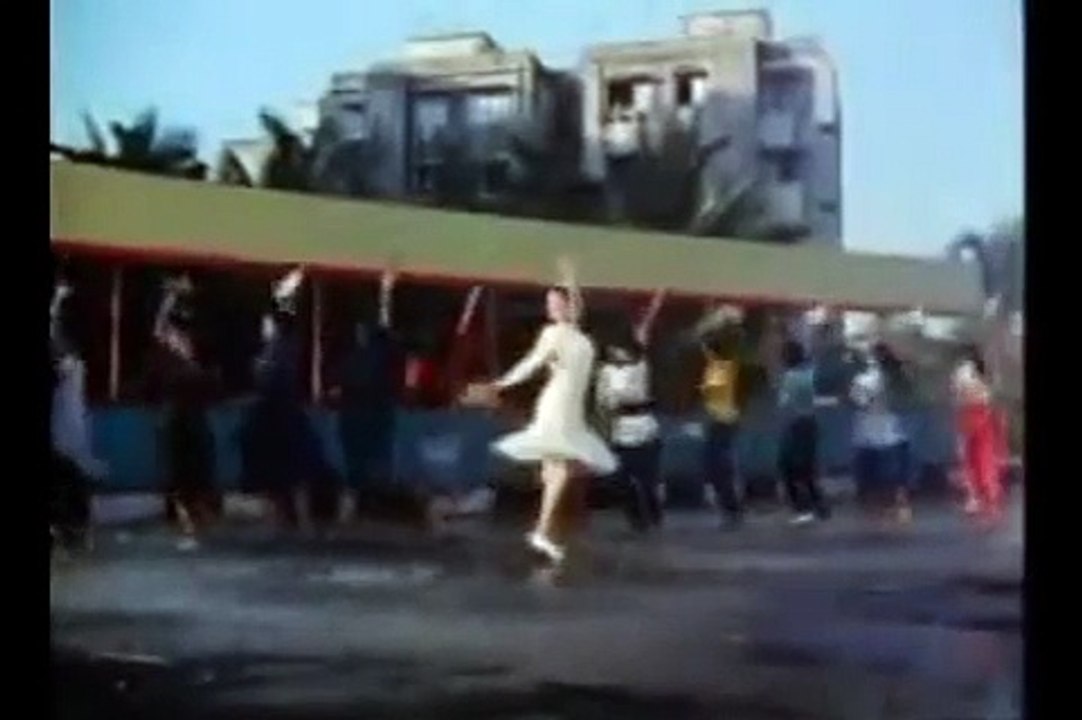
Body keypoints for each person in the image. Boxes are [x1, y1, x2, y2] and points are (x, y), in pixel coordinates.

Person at [464, 260, 617, 565]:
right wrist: (501, 384)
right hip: (557, 405)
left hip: (572, 407)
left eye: (556, 303)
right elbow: (532, 363)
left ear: (569, 305)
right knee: (560, 469)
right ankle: (542, 531)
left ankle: (542, 530)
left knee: (557, 470)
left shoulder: (578, 335)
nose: (551, 308)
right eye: (549, 304)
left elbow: (578, 311)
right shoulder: (552, 333)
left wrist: (571, 280)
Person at [239, 268, 322, 530]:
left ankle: (286, 514)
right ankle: (286, 514)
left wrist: (282, 298)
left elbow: (270, 377)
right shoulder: (277, 349)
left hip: (277, 415)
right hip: (277, 414)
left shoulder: (281, 348)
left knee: (278, 469)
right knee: (280, 471)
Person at [151, 276, 220, 551]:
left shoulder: (191, 363)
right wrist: (169, 298)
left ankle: (195, 514)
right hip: (179, 420)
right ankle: (185, 515)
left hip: (190, 420)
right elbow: (160, 328)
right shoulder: (175, 359)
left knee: (194, 470)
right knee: (181, 472)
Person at [332, 269, 403, 520]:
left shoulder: (377, 350)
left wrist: (386, 292)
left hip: (370, 412)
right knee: (361, 462)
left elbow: (385, 324)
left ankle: (364, 504)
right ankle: (356, 504)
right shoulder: (355, 355)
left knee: (370, 462)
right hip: (359, 413)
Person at [595, 289, 665, 533]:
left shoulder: (639, 366)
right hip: (619, 430)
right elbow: (603, 401)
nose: (617, 352)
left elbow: (643, 333)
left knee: (647, 480)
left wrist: (655, 304)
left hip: (644, 429)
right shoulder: (606, 372)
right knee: (620, 480)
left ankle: (653, 515)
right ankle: (637, 520)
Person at [50, 279, 106, 553]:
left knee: (68, 473)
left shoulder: (67, 364)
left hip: (65, 435)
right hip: (67, 434)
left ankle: (72, 529)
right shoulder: (70, 363)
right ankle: (74, 529)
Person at [849, 342, 913, 525]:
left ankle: (880, 512)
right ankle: (901, 507)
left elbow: (858, 402)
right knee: (896, 475)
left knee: (873, 477)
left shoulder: (864, 379)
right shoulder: (898, 377)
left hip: (869, 434)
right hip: (895, 432)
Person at [698, 316, 747, 529]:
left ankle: (731, 510)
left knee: (718, 468)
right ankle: (730, 509)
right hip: (723, 420)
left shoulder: (719, 368)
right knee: (719, 467)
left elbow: (716, 396)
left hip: (721, 421)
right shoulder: (721, 366)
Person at [776, 339, 832, 525]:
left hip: (796, 425)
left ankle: (803, 508)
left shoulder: (791, 377)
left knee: (790, 468)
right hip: (809, 423)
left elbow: (784, 403)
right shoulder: (811, 372)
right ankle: (819, 506)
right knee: (806, 468)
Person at [951, 345, 1006, 522]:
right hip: (985, 413)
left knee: (968, 458)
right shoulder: (986, 371)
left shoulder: (963, 371)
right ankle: (991, 496)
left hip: (968, 415)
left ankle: (974, 498)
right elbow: (992, 394)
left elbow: (959, 392)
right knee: (985, 457)